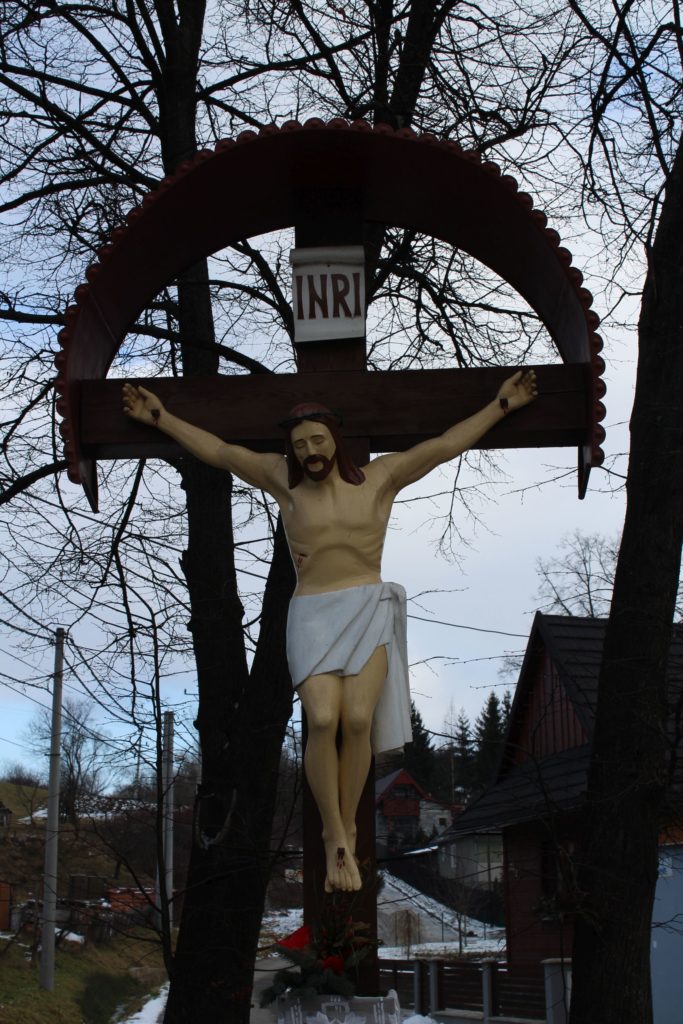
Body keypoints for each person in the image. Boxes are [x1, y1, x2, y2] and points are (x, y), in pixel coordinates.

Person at [122, 369, 537, 892]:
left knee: (358, 720)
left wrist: (501, 406)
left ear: (334, 440)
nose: (310, 451)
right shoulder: (283, 482)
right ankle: (334, 836)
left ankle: (349, 830)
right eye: (300, 445)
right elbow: (221, 452)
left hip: (367, 606)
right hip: (312, 612)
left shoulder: (381, 478)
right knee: (322, 718)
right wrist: (159, 417)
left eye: (318, 440)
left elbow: (444, 445)